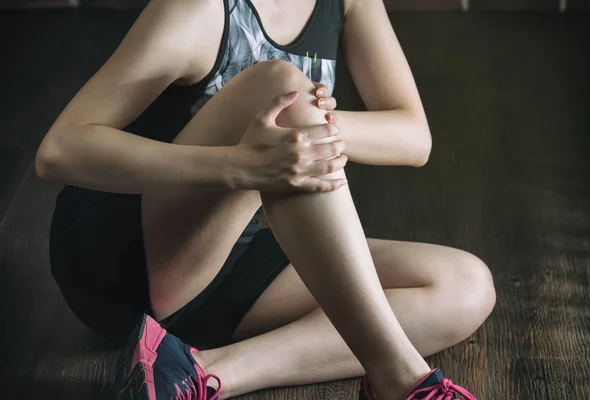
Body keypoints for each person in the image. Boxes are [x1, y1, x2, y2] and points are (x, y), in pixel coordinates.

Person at [35, 0, 495, 399]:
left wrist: (310, 124)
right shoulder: (197, 9)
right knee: (279, 85)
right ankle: (402, 381)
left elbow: (414, 138)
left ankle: (202, 372)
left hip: (235, 252)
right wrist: (239, 164)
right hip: (127, 253)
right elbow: (59, 151)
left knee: (465, 285)